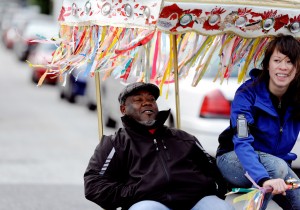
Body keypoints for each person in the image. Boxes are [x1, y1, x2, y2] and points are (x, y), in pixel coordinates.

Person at [84, 82, 235, 210]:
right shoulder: (115, 143)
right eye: (138, 100)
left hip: (196, 201)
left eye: (151, 99)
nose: (147, 102)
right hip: (149, 203)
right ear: (123, 109)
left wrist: (209, 190)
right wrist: (134, 193)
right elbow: (94, 185)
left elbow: (215, 173)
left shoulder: (185, 138)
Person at [216, 34, 300, 210]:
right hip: (234, 158)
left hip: (277, 164)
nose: (283, 67)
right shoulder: (247, 94)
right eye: (277, 60)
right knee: (277, 168)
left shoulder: (297, 96)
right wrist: (264, 178)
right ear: (267, 64)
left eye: (290, 62)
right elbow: (242, 140)